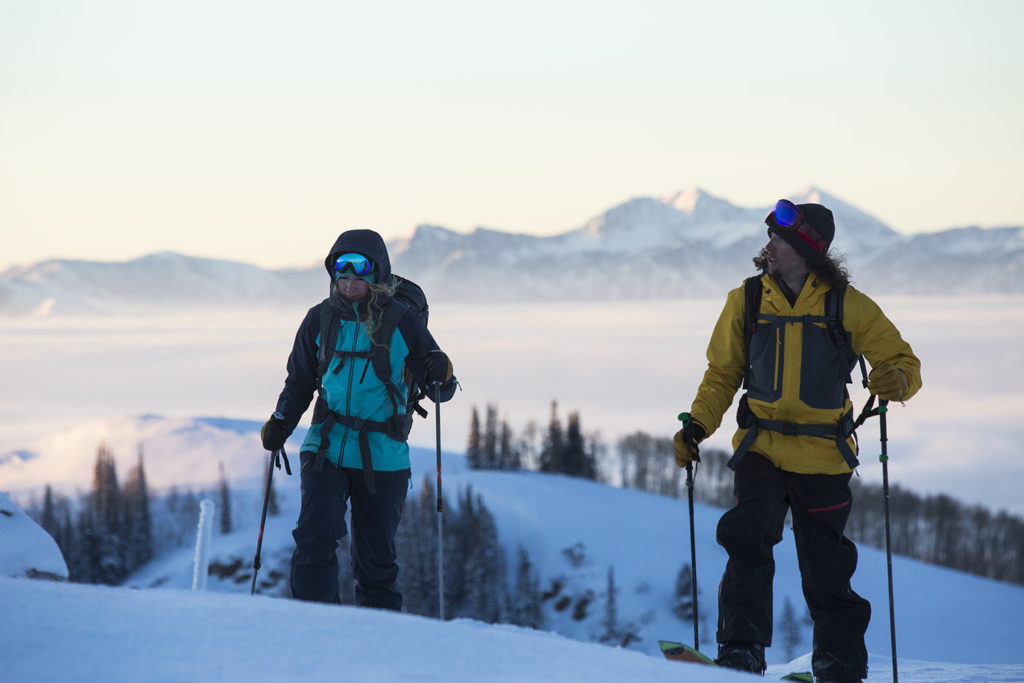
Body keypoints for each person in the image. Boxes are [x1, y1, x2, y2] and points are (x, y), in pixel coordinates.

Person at [673, 200, 921, 683]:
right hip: (760, 450)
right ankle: (741, 657)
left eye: (778, 240)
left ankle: (840, 668)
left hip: (824, 458)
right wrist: (696, 427)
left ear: (807, 250)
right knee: (747, 544)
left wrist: (896, 381)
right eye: (770, 238)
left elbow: (905, 364)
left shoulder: (848, 305)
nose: (768, 247)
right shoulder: (745, 300)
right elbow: (722, 374)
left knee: (827, 569)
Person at [260, 228, 457, 611]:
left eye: (358, 278)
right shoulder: (319, 319)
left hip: (383, 454)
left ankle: (376, 647)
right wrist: (282, 421)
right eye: (342, 277)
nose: (348, 286)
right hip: (326, 446)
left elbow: (439, 390)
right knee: (314, 537)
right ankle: (314, 629)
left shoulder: (403, 322)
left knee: (375, 561)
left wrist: (443, 374)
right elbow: (300, 380)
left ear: (377, 276)